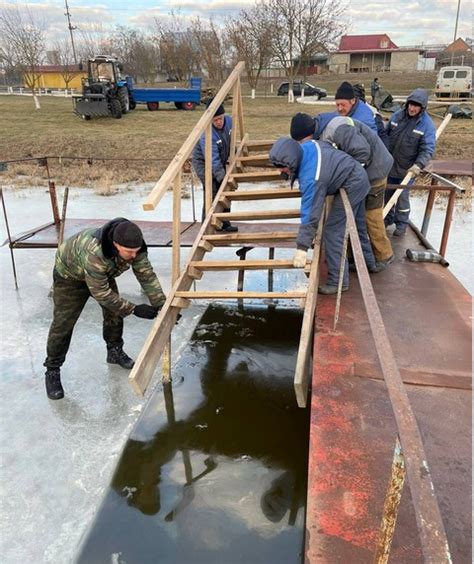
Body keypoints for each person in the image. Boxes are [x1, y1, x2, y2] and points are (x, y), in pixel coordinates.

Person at [43, 218, 166, 400]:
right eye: (129, 252)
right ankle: (52, 370)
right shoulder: (95, 252)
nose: (133, 256)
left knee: (114, 313)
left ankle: (114, 351)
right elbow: (102, 294)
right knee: (63, 324)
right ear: (116, 245)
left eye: (136, 251)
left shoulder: (135, 245)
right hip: (70, 277)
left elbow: (146, 275)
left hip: (100, 275)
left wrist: (162, 306)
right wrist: (134, 309)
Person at [269, 114, 384, 295]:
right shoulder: (308, 146)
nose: (280, 170)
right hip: (355, 175)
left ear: (292, 161)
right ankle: (369, 263)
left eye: (282, 166)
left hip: (352, 183)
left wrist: (301, 248)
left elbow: (310, 215)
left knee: (333, 231)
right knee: (358, 225)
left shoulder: (311, 178)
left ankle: (337, 281)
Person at [312, 112, 394, 266]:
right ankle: (354, 256)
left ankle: (384, 255)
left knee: (372, 215)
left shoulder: (338, 129)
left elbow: (362, 152)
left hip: (376, 170)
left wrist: (350, 175)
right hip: (362, 174)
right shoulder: (322, 131)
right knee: (356, 217)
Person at [384, 88, 436, 236]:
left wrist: (418, 165)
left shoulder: (426, 125)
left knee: (402, 198)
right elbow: (385, 135)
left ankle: (401, 224)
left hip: (407, 169)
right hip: (390, 166)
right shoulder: (397, 117)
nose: (412, 108)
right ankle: (387, 218)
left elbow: (427, 149)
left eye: (416, 106)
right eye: (410, 105)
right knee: (387, 194)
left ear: (422, 108)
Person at [192, 99, 238, 232]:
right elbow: (213, 159)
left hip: (219, 158)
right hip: (203, 162)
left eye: (220, 118)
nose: (219, 122)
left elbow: (232, 138)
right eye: (215, 120)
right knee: (212, 189)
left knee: (226, 190)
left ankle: (225, 223)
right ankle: (206, 226)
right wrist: (222, 178)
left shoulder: (229, 121)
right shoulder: (207, 134)